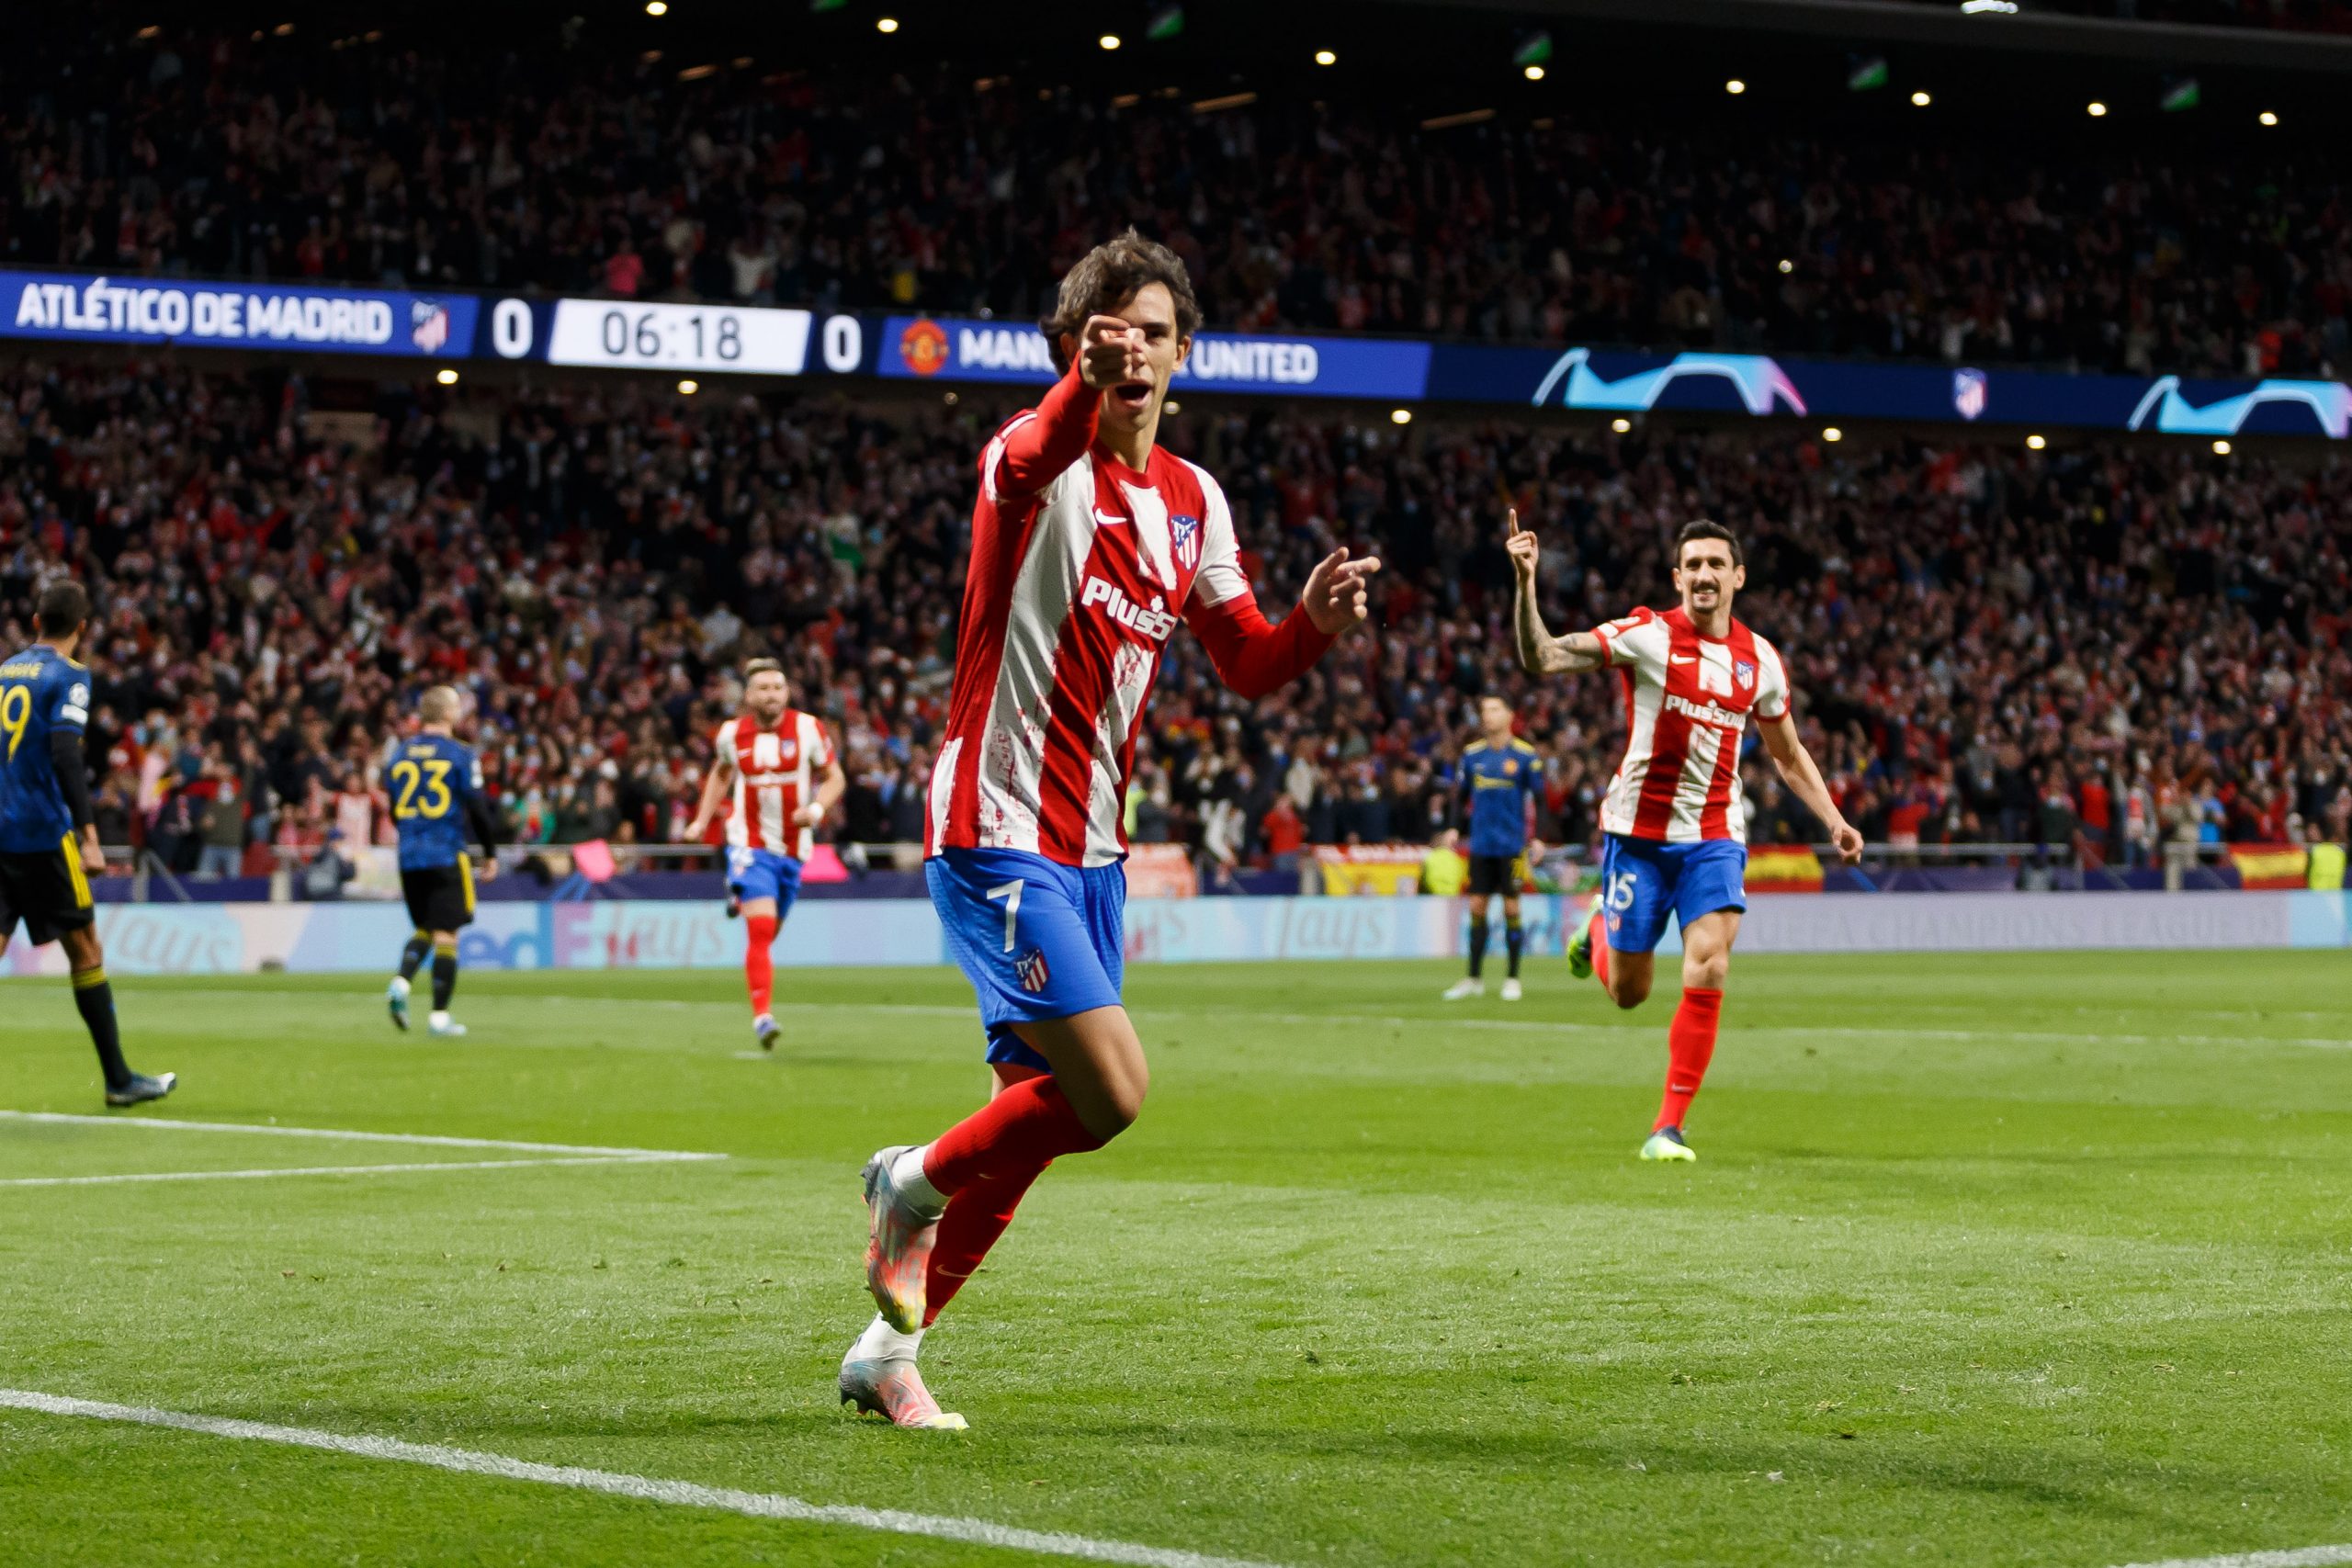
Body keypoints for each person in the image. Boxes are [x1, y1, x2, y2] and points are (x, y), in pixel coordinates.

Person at [843, 229, 1380, 1428]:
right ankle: (906, 1178)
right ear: (1077, 347)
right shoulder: (1026, 466)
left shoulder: (1196, 500)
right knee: (1117, 1090)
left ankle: (889, 1347)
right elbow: (1039, 445)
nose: (1137, 350)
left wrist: (1310, 626)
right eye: (1113, 331)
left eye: (1157, 333)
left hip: (1093, 852)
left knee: (1031, 1132)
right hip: (994, 825)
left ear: (1186, 354)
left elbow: (1243, 658)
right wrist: (1078, 389)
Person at [1507, 511, 1861, 1162]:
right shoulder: (1646, 634)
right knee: (1629, 993)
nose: (1704, 574)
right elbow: (1545, 656)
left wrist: (1834, 818)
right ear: (1677, 576)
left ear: (1738, 577)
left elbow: (1786, 753)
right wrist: (1526, 583)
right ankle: (1597, 931)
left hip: (1714, 835)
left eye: (1715, 564)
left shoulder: (1762, 662)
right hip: (1637, 835)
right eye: (1692, 565)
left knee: (1712, 961)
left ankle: (1667, 1126)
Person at [0, 581, 175, 1106]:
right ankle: (119, 1080)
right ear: (83, 628)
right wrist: (90, 836)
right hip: (42, 835)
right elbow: (65, 753)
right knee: (85, 949)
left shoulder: (4, 672)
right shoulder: (70, 676)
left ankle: (121, 1078)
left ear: (35, 622)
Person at [681, 657, 845, 1050]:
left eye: (778, 687)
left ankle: (736, 892)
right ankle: (762, 1017)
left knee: (769, 932)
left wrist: (817, 810)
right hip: (749, 843)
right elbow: (721, 774)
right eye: (763, 688)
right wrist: (701, 822)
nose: (771, 695)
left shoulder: (808, 728)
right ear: (749, 695)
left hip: (792, 850)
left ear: (787, 692)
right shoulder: (731, 734)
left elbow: (834, 776)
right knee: (759, 928)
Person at [382, 685, 500, 1038]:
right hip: (446, 851)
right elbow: (477, 807)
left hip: (409, 854)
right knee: (447, 934)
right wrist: (490, 853)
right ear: (449, 714)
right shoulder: (460, 754)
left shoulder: (400, 754)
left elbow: (393, 809)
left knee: (427, 927)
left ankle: (402, 982)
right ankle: (439, 1017)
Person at [1441, 694, 1544, 1002]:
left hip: (1512, 845)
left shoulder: (1525, 756)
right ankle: (1474, 977)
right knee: (1476, 908)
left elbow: (1539, 800)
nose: (1487, 716)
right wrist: (1453, 828)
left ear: (1509, 716)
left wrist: (1537, 836)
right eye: (1484, 710)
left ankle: (1512, 978)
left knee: (1512, 907)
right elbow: (1460, 798)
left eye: (1494, 710)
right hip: (1481, 844)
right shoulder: (1472, 756)